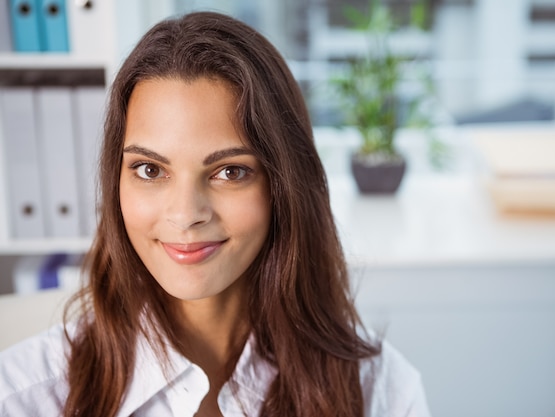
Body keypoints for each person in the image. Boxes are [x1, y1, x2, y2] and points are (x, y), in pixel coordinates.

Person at [0, 11, 431, 417]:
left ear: (284, 186)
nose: (186, 215)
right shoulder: (22, 396)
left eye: (230, 171)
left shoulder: (381, 392)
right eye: (149, 169)